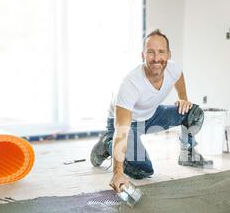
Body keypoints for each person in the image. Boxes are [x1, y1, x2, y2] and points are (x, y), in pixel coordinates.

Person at [90, 29, 212, 193]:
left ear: (169, 54)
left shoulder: (172, 69)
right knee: (143, 170)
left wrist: (183, 97)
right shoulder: (131, 84)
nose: (156, 58)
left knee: (194, 113)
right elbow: (122, 130)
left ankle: (187, 154)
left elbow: (179, 76)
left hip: (151, 115)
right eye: (151, 52)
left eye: (161, 52)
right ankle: (107, 143)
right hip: (125, 124)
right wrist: (117, 173)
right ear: (143, 55)